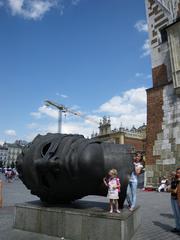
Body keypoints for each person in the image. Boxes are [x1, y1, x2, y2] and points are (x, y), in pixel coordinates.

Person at [167, 168, 180, 235]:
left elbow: (175, 190)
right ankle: (177, 227)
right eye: (177, 172)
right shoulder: (174, 180)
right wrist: (170, 189)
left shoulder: (179, 181)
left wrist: (170, 189)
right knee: (175, 215)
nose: (178, 174)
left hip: (178, 199)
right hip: (172, 198)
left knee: (179, 215)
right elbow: (168, 189)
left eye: (179, 173)